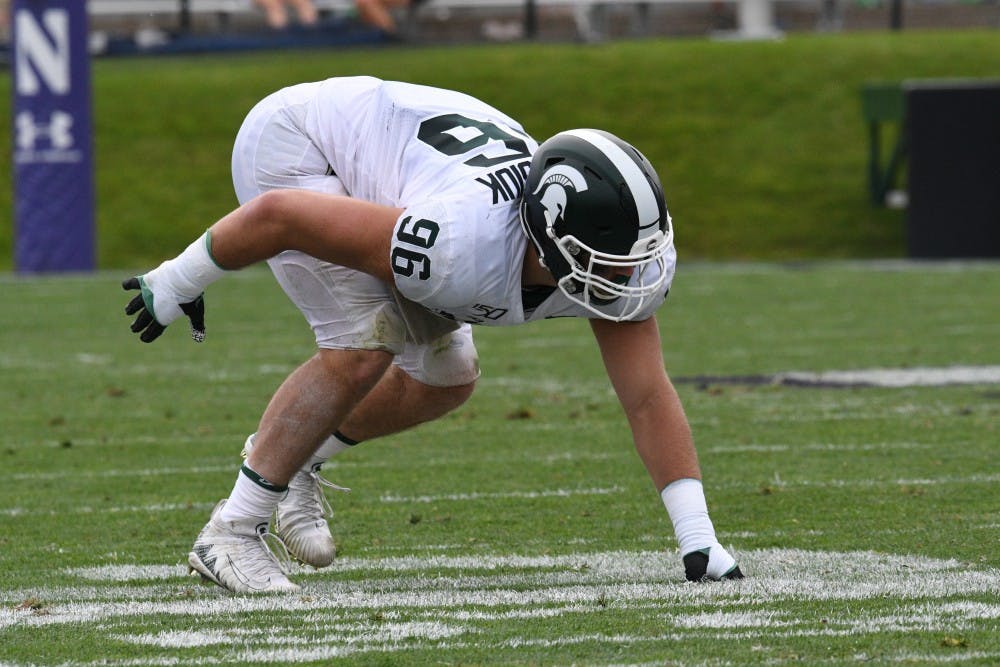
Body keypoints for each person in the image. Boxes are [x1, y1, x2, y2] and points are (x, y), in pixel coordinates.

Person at [123, 75, 744, 593]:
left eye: (638, 254)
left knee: (446, 377)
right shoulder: (456, 243)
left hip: (400, 163)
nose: (632, 274)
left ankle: (295, 458)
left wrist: (699, 543)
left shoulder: (605, 263)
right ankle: (231, 533)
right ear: (551, 241)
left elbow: (646, 395)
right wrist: (177, 281)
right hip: (301, 142)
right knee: (366, 344)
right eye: (612, 259)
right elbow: (280, 216)